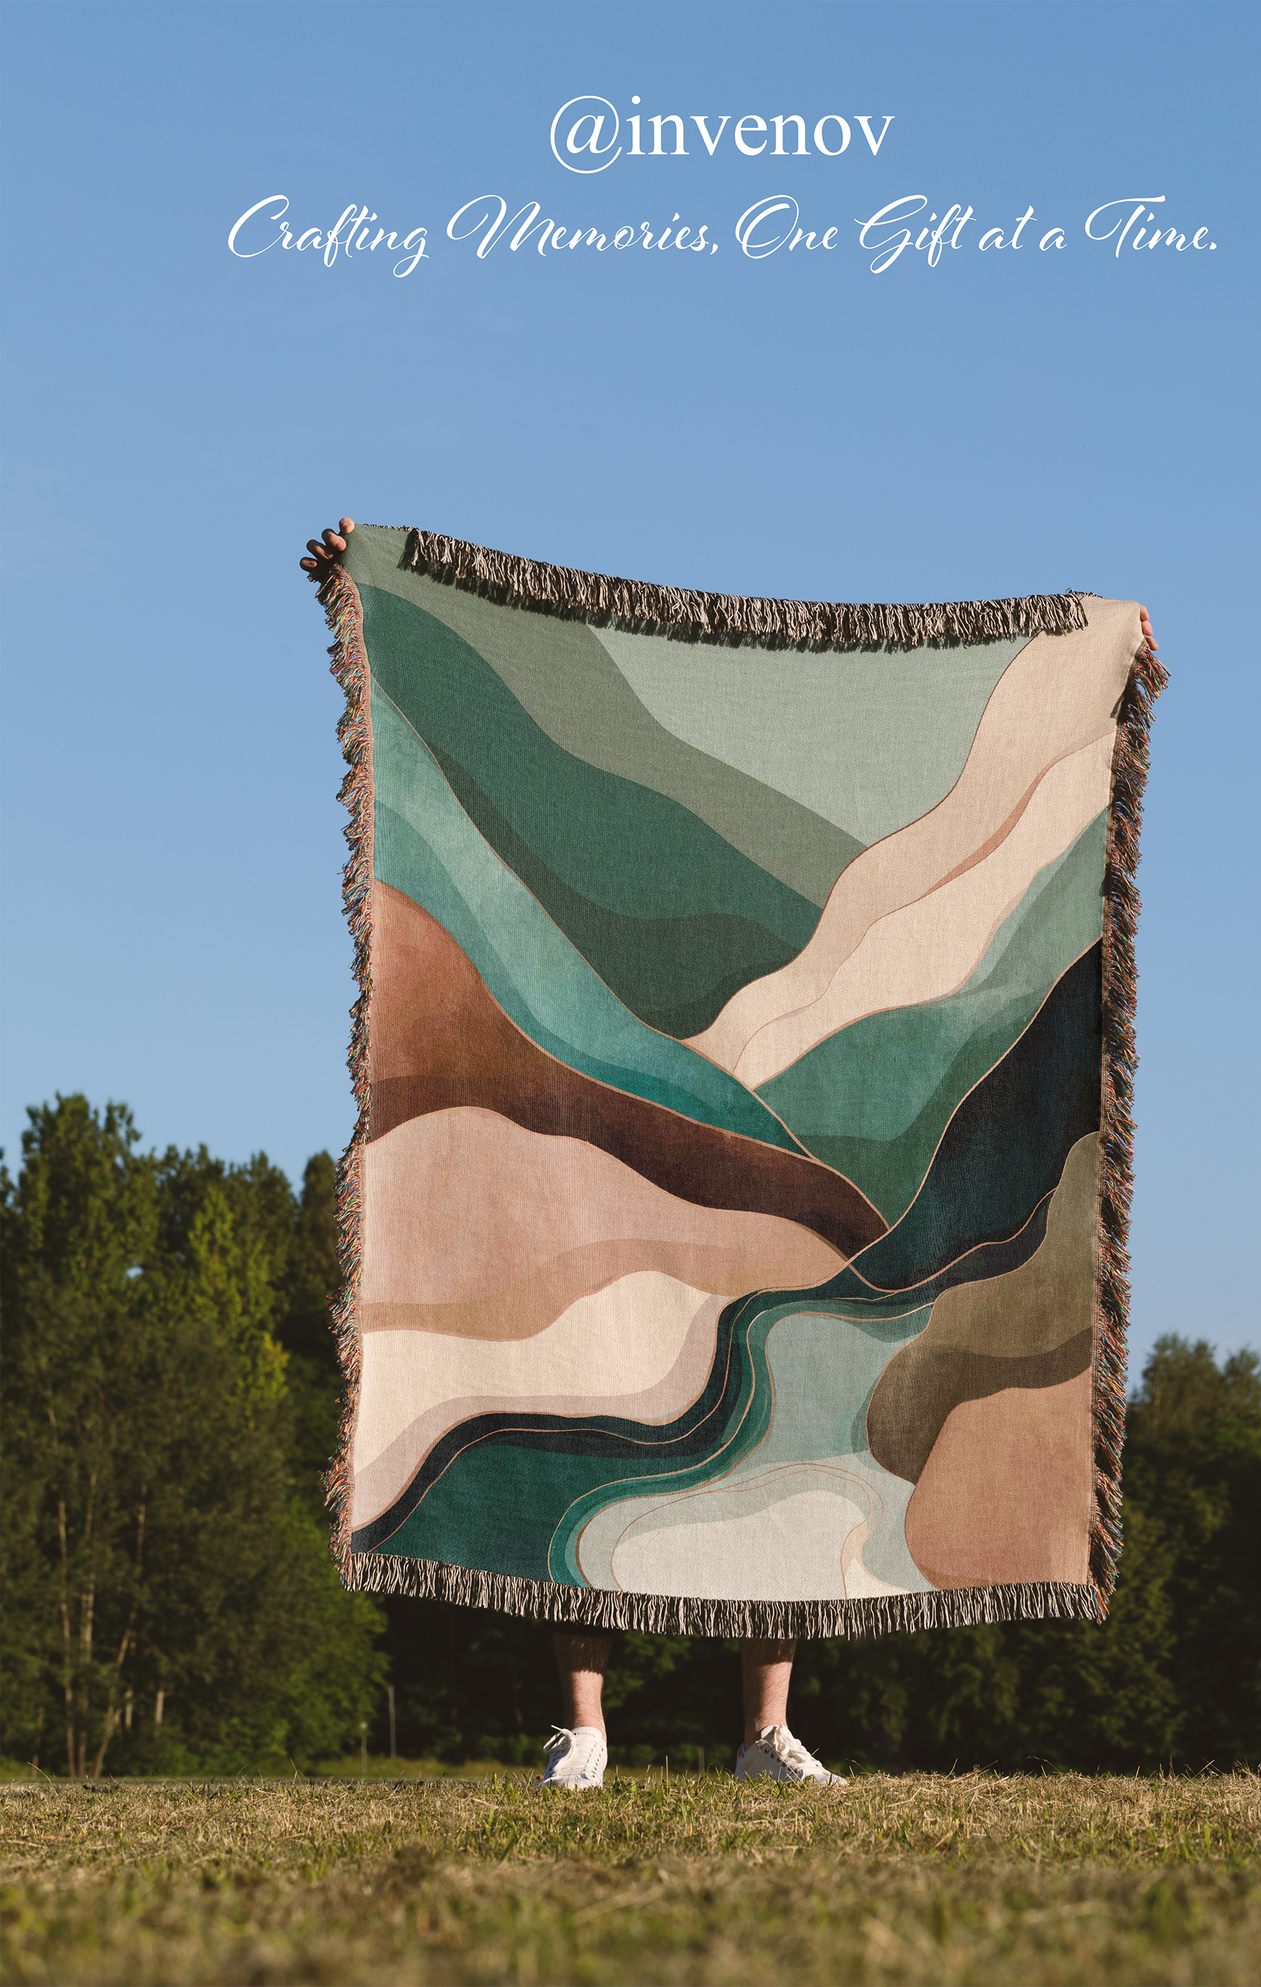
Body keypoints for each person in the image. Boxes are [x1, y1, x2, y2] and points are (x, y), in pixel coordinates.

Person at [301, 519, 1159, 1789]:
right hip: (615, 1136)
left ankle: (764, 1733)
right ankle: (583, 1730)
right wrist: (365, 563)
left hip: (786, 1153)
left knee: (791, 1428)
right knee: (572, 1393)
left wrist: (1100, 649)